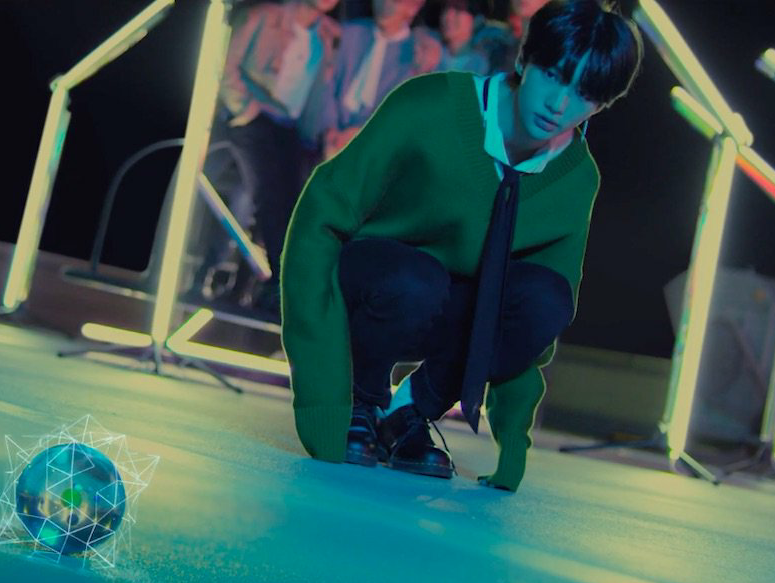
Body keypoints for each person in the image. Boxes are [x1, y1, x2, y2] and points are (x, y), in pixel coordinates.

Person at [280, 0, 643, 492]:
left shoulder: (576, 177)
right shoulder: (430, 104)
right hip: (374, 287)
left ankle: (409, 412)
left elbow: (542, 320)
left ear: (600, 106)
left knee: (546, 298)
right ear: (524, 60)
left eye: (583, 93)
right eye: (553, 76)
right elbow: (319, 220)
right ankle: (362, 400)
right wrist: (323, 400)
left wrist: (512, 447)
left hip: (450, 312)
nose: (559, 104)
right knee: (416, 280)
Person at [215, 0, 341, 318]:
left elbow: (320, 92)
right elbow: (224, 63)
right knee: (267, 196)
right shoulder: (261, 17)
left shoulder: (326, 36)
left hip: (291, 129)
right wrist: (245, 109)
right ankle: (280, 286)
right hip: (251, 118)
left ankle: (271, 287)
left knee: (291, 204)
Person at [321, 0, 442, 158]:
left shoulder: (419, 56)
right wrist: (329, 129)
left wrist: (361, 134)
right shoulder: (350, 33)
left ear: (414, 7)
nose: (386, 5)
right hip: (328, 143)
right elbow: (327, 84)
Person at [438, 0, 492, 74]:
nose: (448, 16)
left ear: (477, 20)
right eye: (445, 8)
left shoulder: (483, 65)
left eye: (458, 9)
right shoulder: (430, 54)